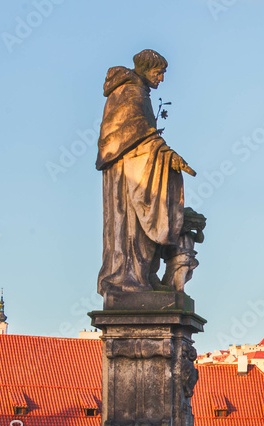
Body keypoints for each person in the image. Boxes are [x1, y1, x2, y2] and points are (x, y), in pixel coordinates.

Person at [96, 49, 196, 295]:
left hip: (137, 165)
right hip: (128, 173)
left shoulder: (136, 91)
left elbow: (139, 133)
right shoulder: (131, 92)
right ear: (145, 68)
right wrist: (166, 153)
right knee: (131, 228)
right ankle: (129, 279)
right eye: (159, 72)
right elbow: (133, 133)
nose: (161, 78)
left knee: (139, 228)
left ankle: (143, 276)